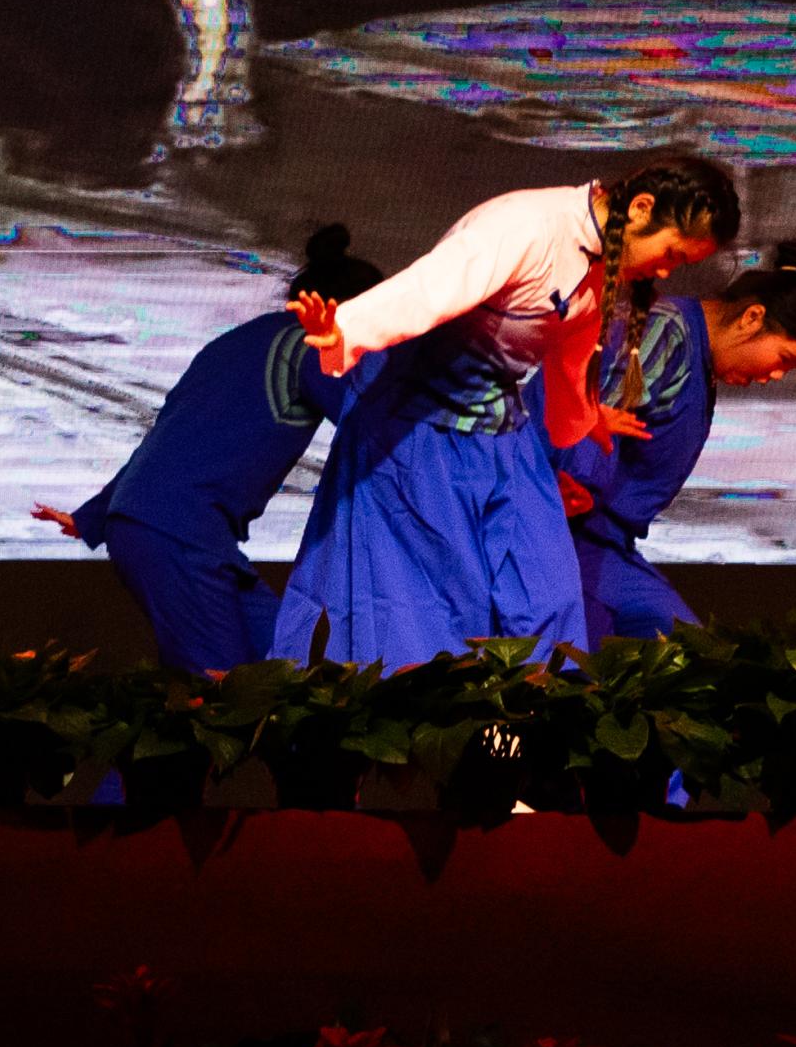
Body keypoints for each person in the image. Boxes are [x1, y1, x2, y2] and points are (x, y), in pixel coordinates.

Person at [272, 156, 743, 668]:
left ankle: (537, 712)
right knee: (432, 605)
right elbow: (428, 288)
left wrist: (585, 415)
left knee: (546, 591)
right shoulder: (526, 226)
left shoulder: (600, 262)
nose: (667, 271)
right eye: (671, 253)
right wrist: (347, 328)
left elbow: (571, 351)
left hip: (501, 432)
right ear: (641, 208)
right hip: (421, 431)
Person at [29, 226, 389, 674]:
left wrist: (95, 514)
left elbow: (169, 435)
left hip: (174, 529)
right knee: (225, 683)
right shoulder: (310, 348)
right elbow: (369, 424)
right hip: (177, 532)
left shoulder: (235, 341)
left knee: (279, 665)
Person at [560, 243, 796, 641]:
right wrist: (557, 512)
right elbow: (590, 428)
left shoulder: (696, 355)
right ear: (752, 317)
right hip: (566, 533)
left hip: (604, 543)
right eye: (785, 359)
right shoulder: (666, 333)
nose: (776, 376)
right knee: (665, 650)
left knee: (682, 646)